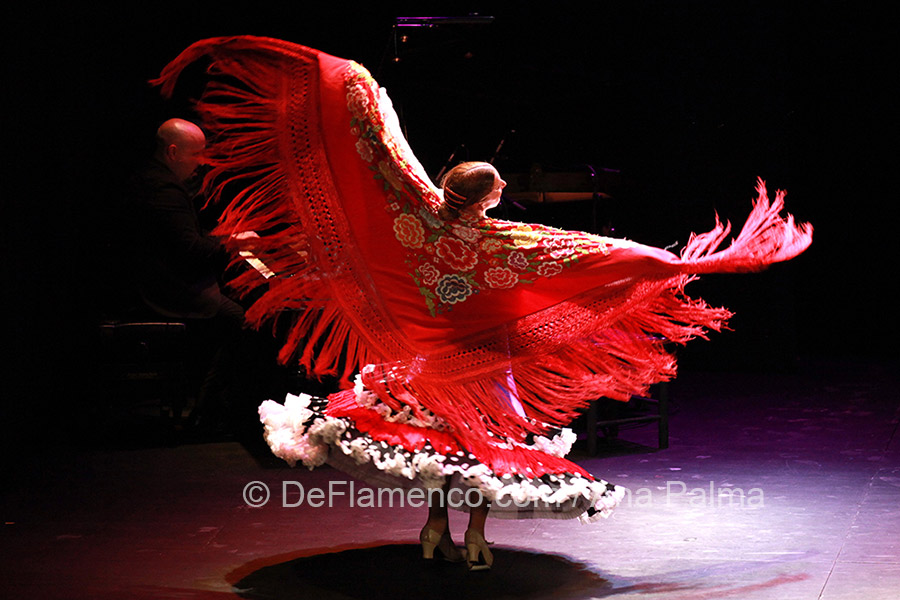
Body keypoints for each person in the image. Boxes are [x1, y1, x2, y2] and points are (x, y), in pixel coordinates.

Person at [152, 36, 812, 570]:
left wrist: (352, 81)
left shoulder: (412, 211)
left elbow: (379, 150)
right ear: (490, 197)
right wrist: (686, 262)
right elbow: (590, 252)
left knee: (435, 452)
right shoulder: (505, 241)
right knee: (480, 453)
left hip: (421, 366)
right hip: (481, 369)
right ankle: (473, 538)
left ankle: (434, 529)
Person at [127, 118, 248, 434]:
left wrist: (223, 240)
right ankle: (208, 413)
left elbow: (182, 238)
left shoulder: (151, 177)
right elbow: (190, 250)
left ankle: (215, 405)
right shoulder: (164, 188)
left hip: (161, 279)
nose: (201, 162)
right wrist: (233, 243)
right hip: (162, 290)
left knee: (233, 299)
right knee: (239, 319)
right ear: (172, 152)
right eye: (196, 154)